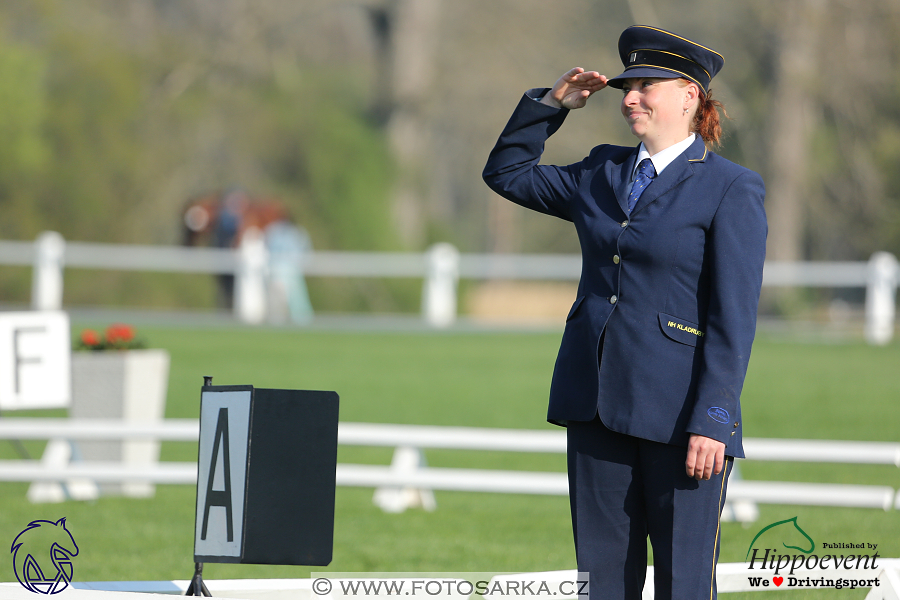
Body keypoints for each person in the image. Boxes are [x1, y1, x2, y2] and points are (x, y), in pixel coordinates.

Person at [482, 25, 767, 599]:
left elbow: (733, 317)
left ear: (689, 95)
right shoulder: (600, 171)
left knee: (683, 586)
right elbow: (506, 174)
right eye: (626, 87)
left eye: (645, 85)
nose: (630, 97)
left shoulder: (731, 188)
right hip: (595, 404)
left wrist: (714, 418)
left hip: (681, 417)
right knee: (603, 583)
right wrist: (550, 106)